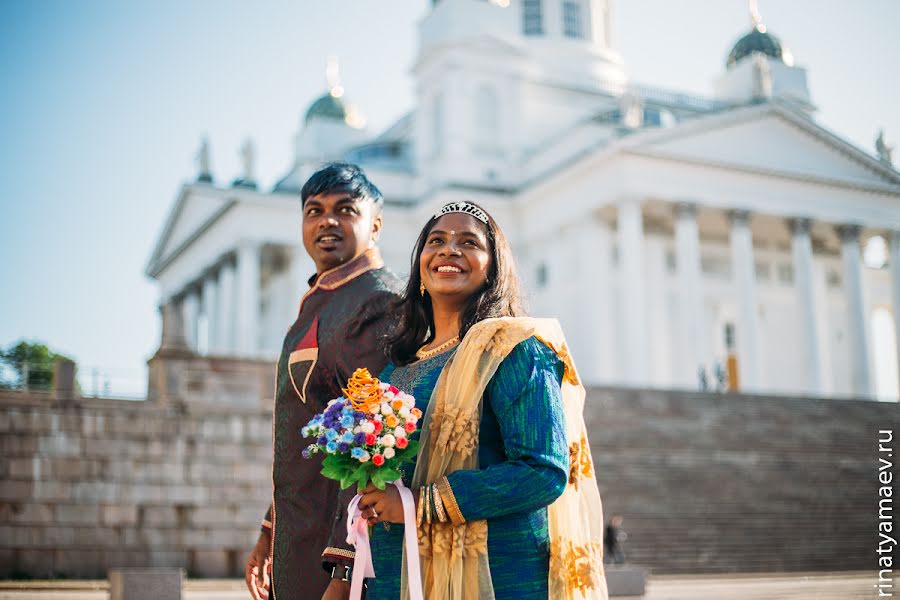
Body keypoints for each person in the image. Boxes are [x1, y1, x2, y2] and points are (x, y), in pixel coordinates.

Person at [323, 201, 608, 599]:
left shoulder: (514, 349)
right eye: (436, 240)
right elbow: (370, 483)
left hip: (495, 574)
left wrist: (423, 503)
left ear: (493, 267)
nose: (449, 249)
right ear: (421, 265)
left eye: (469, 242)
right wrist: (343, 572)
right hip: (393, 573)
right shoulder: (396, 368)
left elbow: (543, 470)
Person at [244, 163, 403, 600]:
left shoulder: (377, 300)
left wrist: (345, 568)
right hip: (303, 542)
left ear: (375, 224)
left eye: (345, 209)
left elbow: (372, 446)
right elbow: (307, 438)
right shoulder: (321, 301)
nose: (326, 221)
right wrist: (269, 533)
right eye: (313, 210)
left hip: (340, 560)